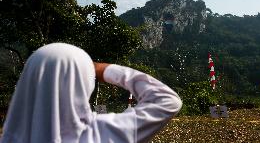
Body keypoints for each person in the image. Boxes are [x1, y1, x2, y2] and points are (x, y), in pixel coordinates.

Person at [0, 43, 182, 143]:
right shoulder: (101, 132)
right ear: (83, 83)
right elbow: (168, 101)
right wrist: (102, 69)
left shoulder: (9, 137)